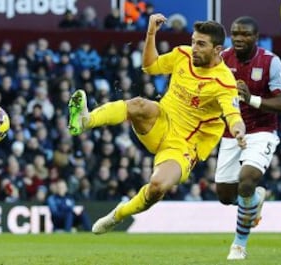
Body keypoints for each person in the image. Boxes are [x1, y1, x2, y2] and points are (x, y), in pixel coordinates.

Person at [68, 13, 246, 235]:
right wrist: (151, 32)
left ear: (218, 50)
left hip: (183, 146)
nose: (194, 48)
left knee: (157, 187)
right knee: (139, 104)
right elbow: (149, 66)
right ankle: (86, 120)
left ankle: (119, 214)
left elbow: (233, 115)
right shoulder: (182, 54)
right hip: (160, 119)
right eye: (193, 41)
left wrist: (239, 132)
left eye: (201, 44)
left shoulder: (224, 81)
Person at [215, 16, 281, 260]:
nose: (238, 38)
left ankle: (238, 245)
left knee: (246, 180)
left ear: (256, 38)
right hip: (230, 130)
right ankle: (255, 200)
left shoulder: (271, 62)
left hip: (261, 130)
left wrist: (251, 100)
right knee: (226, 196)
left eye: (245, 34)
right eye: (235, 33)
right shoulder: (222, 59)